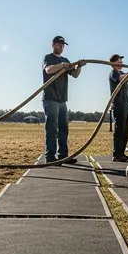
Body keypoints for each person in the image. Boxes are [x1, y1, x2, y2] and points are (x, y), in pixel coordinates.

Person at [42, 35, 85, 164]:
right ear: (53, 45)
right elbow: (49, 70)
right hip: (50, 98)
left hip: (62, 99)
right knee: (52, 127)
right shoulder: (48, 58)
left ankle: (63, 155)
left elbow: (75, 75)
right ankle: (50, 156)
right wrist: (62, 65)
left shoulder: (66, 60)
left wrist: (79, 67)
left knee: (63, 127)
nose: (61, 47)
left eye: (63, 45)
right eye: (59, 44)